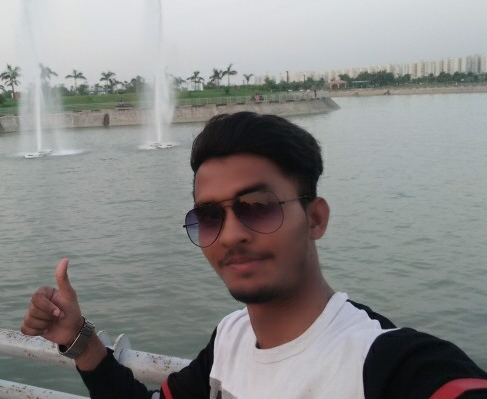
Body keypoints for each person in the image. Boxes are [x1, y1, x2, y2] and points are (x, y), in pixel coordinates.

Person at [21, 112, 487, 398]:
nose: (231, 236)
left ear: (316, 219)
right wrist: (79, 340)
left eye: (258, 207)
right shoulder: (231, 339)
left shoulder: (387, 365)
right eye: (209, 217)